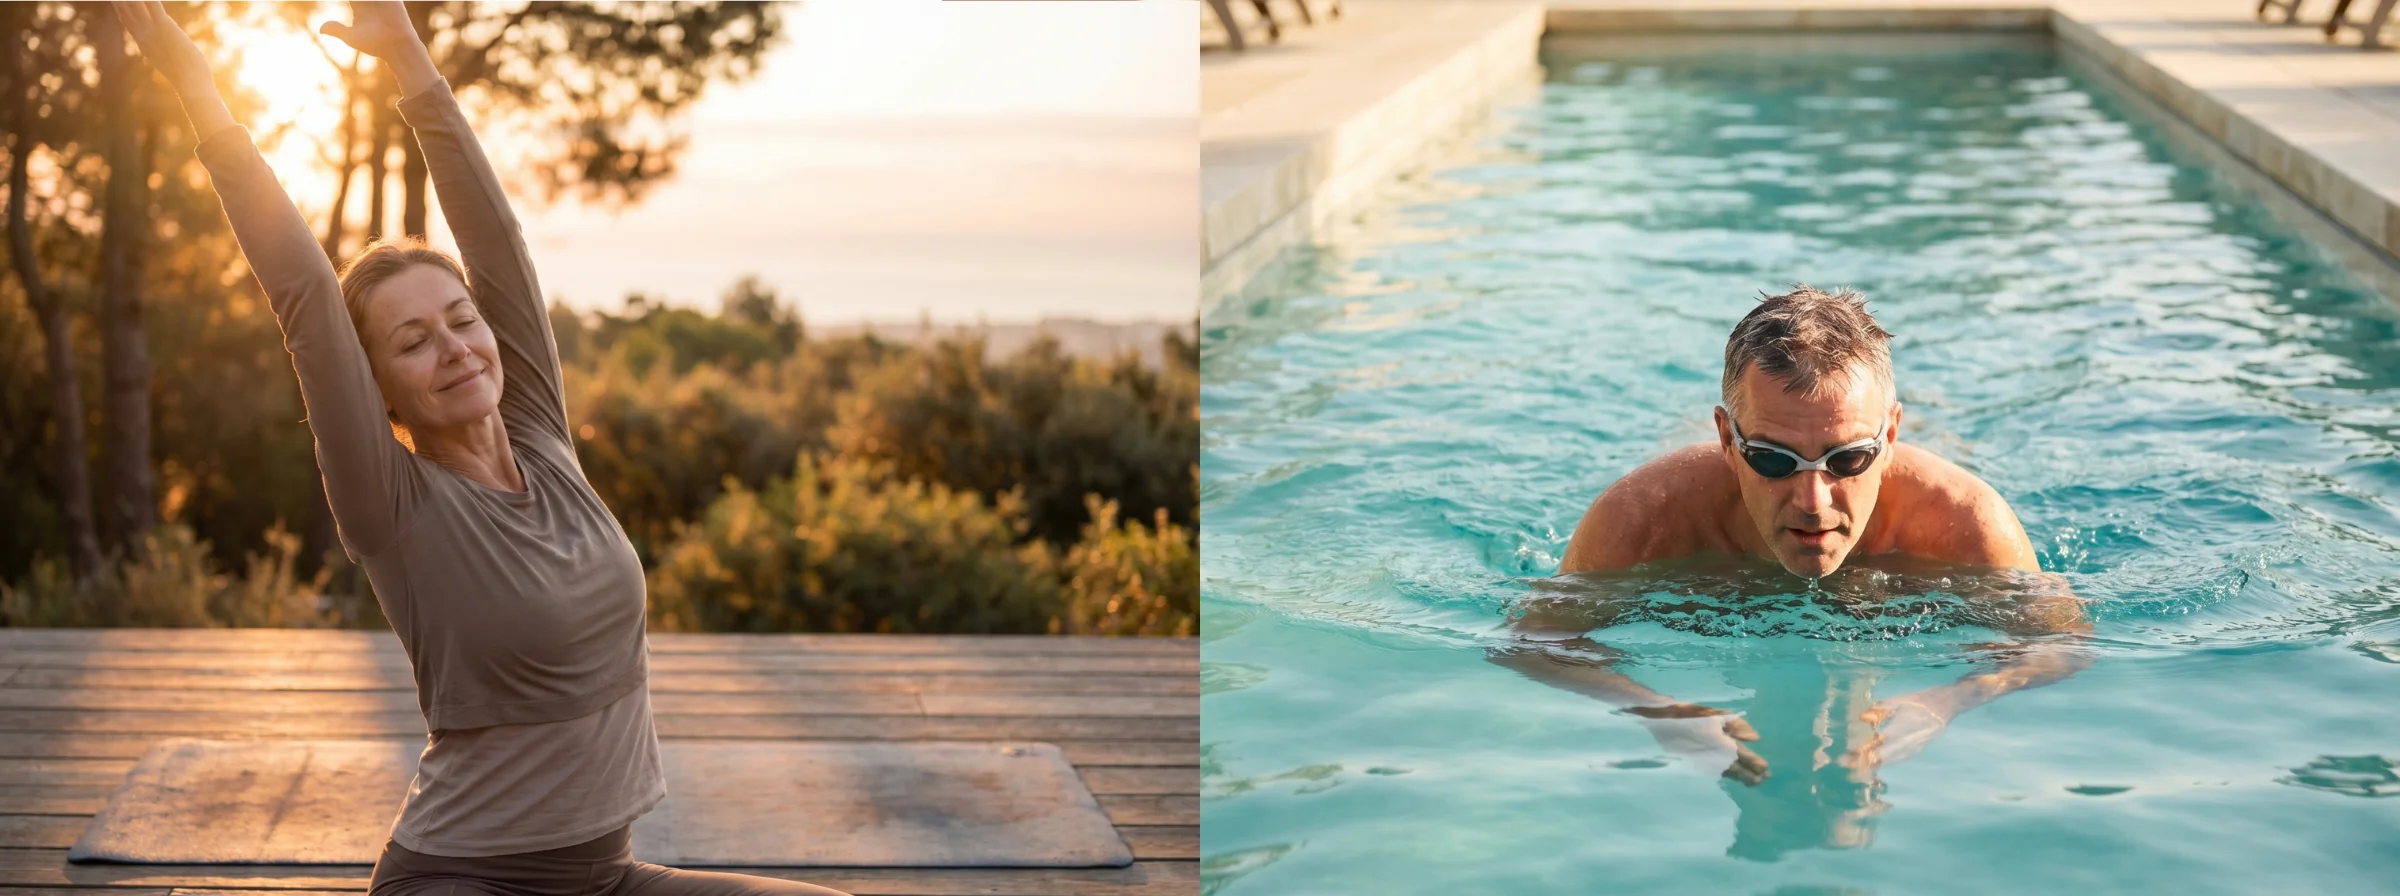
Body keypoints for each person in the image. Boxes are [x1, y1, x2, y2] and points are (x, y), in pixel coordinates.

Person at [112, 3, 849, 893]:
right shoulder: (391, 505)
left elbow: (498, 241)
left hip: (606, 879)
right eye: (413, 342)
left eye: (462, 320)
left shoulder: (540, 430)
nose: (456, 348)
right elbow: (303, 289)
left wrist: (410, 62)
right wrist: (199, 91)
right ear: (378, 387)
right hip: (463, 877)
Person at [1491, 285, 2091, 790]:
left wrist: (1946, 702)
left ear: (1889, 436)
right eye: (1773, 460)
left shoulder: (1965, 520)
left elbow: (2063, 642)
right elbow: (1532, 640)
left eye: (1848, 459)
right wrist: (1660, 712)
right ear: (1727, 441)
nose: (1813, 502)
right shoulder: (1646, 516)